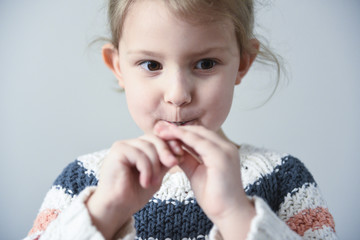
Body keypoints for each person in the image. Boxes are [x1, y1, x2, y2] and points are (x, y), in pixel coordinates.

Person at [25, 0, 337, 239]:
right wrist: (103, 213)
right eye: (150, 64)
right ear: (117, 66)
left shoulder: (283, 177)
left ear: (242, 64)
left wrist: (235, 215)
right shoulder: (83, 180)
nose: (177, 95)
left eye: (205, 63)